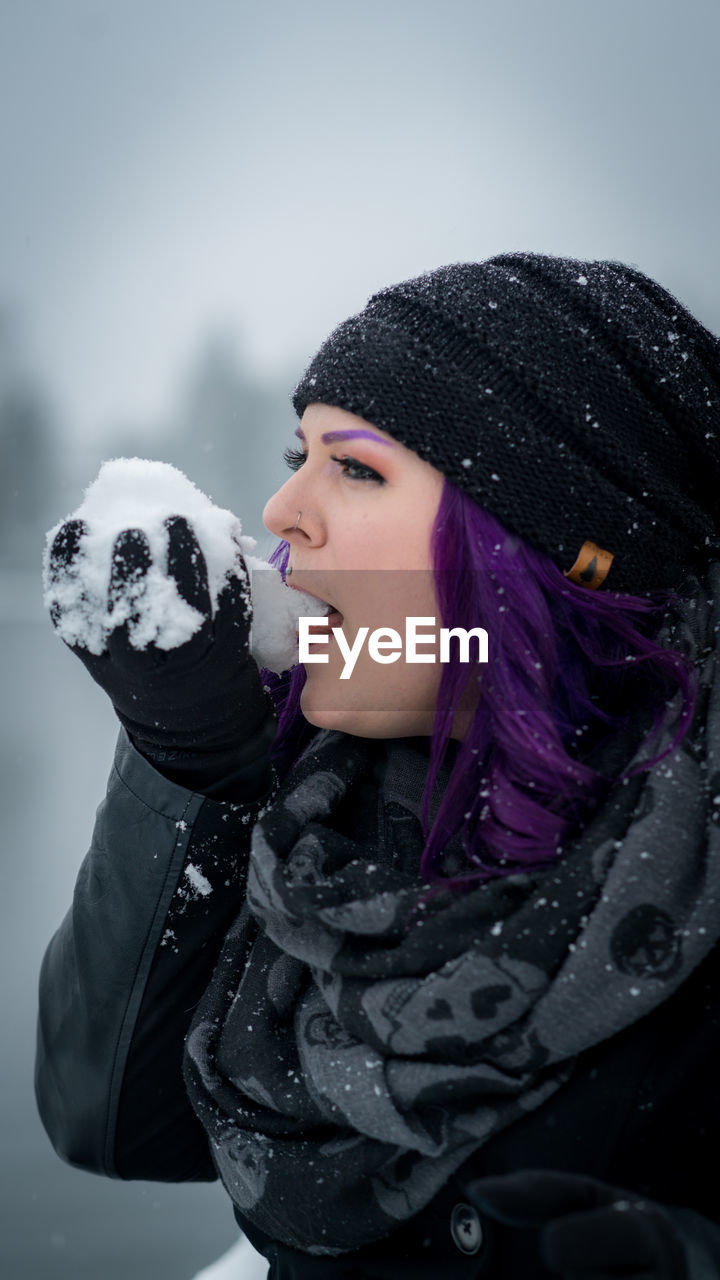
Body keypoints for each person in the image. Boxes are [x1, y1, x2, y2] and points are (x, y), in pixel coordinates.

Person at [36, 253, 720, 1278]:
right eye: (295, 453)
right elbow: (114, 1124)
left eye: (353, 467)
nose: (278, 511)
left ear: (564, 550)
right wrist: (199, 759)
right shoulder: (332, 821)